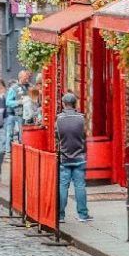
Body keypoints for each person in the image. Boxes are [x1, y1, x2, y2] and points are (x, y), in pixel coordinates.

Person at [56, 93, 92, 223]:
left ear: (64, 104)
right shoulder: (81, 118)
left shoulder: (59, 119)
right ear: (75, 103)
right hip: (79, 156)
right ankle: (83, 215)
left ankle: (60, 215)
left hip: (65, 157)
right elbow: (85, 135)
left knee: (63, 186)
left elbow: (57, 136)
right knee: (80, 186)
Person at [5, 70, 30, 153]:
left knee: (22, 134)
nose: (27, 79)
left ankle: (21, 151)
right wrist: (19, 102)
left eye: (27, 77)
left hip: (26, 114)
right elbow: (8, 102)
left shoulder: (29, 87)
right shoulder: (13, 88)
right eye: (25, 78)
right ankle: (8, 152)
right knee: (10, 133)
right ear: (20, 77)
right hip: (13, 114)